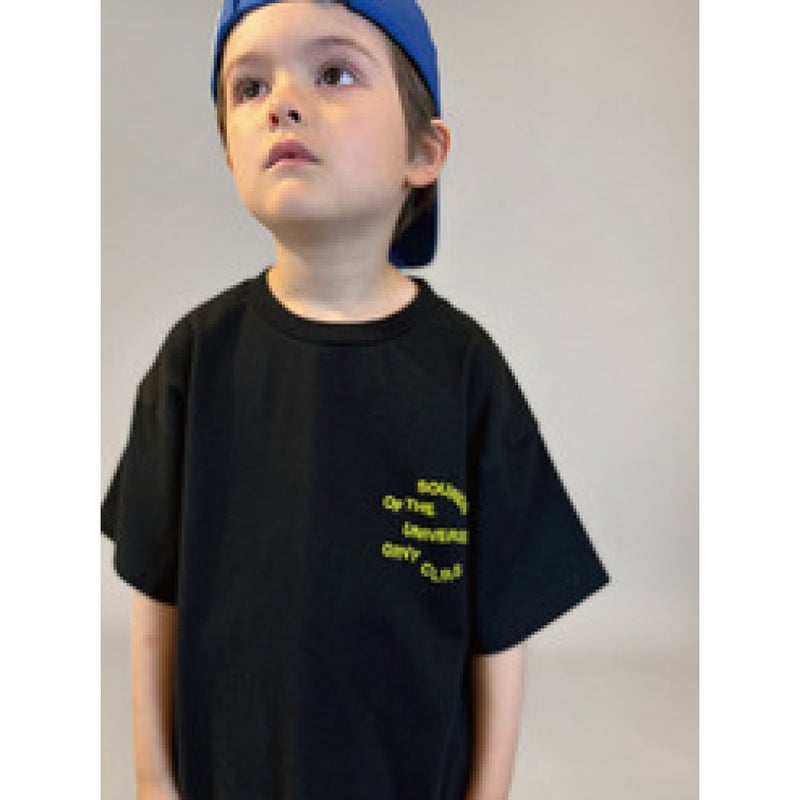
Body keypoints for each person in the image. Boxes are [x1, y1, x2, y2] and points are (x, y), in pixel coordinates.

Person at [101, 1, 612, 798]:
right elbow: (154, 598)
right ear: (229, 153)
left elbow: (501, 629)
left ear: (423, 150)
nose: (283, 103)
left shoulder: (465, 371)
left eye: (334, 72)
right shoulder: (197, 359)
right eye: (249, 87)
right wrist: (153, 781)